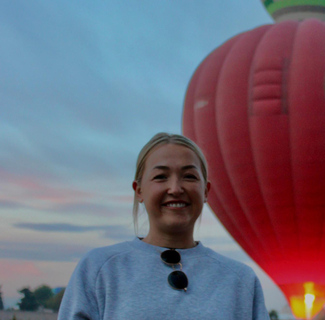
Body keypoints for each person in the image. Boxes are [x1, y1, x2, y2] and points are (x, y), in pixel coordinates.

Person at [58, 133, 270, 320]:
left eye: (189, 176)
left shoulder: (240, 280)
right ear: (138, 190)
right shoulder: (100, 269)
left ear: (206, 191)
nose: (175, 188)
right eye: (161, 177)